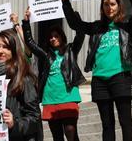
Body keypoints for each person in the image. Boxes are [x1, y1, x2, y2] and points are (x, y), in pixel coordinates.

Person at [62, 0, 132, 141]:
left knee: (126, 121)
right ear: (102, 7)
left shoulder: (126, 25)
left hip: (121, 77)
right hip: (100, 80)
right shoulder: (96, 27)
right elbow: (75, 24)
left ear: (118, 5)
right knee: (107, 124)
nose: (109, 7)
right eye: (106, 4)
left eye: (113, 4)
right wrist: (66, 2)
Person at [22, 8, 85, 141]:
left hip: (68, 96)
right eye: (51, 37)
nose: (53, 39)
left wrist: (74, 16)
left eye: (56, 36)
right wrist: (26, 22)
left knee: (71, 131)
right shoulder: (46, 55)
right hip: (50, 98)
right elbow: (30, 43)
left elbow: (80, 34)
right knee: (57, 136)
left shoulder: (71, 50)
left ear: (62, 37)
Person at [0, 30, 43, 141]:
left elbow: (34, 117)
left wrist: (15, 124)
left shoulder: (23, 78)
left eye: (6, 47)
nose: (1, 51)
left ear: (14, 50)